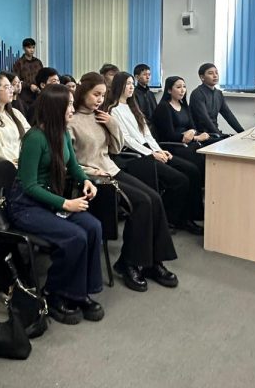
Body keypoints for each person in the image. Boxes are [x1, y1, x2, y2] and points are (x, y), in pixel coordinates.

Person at [69, 72, 179, 292]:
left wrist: (112, 124)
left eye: (103, 95)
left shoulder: (100, 116)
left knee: (154, 198)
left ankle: (153, 261)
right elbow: (68, 162)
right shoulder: (71, 121)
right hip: (94, 178)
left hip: (111, 169)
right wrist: (90, 171)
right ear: (83, 92)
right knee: (141, 203)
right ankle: (128, 263)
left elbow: (116, 149)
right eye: (96, 94)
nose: (100, 100)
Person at [8, 83, 104, 324]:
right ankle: (55, 293)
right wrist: (65, 204)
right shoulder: (35, 138)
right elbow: (30, 186)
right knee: (75, 236)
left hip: (49, 200)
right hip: (25, 206)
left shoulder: (62, 133)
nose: (72, 108)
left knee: (93, 227)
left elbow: (73, 166)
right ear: (55, 108)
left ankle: (80, 292)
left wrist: (85, 181)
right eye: (68, 104)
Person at [107, 73, 204, 234]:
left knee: (192, 170)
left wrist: (158, 150)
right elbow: (126, 140)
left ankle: (186, 217)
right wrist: (151, 154)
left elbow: (147, 134)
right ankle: (170, 219)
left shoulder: (133, 106)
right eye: (127, 84)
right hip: (135, 154)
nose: (131, 87)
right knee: (180, 180)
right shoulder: (114, 110)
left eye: (132, 83)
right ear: (119, 86)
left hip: (150, 149)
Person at [152, 75, 212, 178]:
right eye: (178, 87)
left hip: (187, 142)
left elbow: (193, 127)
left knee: (211, 145)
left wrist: (192, 132)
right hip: (174, 146)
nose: (182, 90)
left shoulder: (184, 105)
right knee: (200, 157)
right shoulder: (164, 107)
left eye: (184, 87)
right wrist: (195, 138)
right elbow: (169, 135)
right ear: (169, 90)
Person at [189, 63, 244, 136]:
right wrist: (219, 135)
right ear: (202, 77)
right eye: (210, 73)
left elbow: (228, 115)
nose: (215, 75)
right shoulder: (197, 93)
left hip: (214, 133)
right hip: (201, 134)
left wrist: (242, 132)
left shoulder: (218, 93)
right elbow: (205, 119)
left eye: (216, 73)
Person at [12, 37, 43, 111]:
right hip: (24, 96)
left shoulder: (38, 62)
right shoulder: (19, 63)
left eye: (33, 47)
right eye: (29, 47)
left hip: (37, 95)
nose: (32, 50)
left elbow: (42, 77)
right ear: (24, 48)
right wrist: (29, 86)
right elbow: (16, 81)